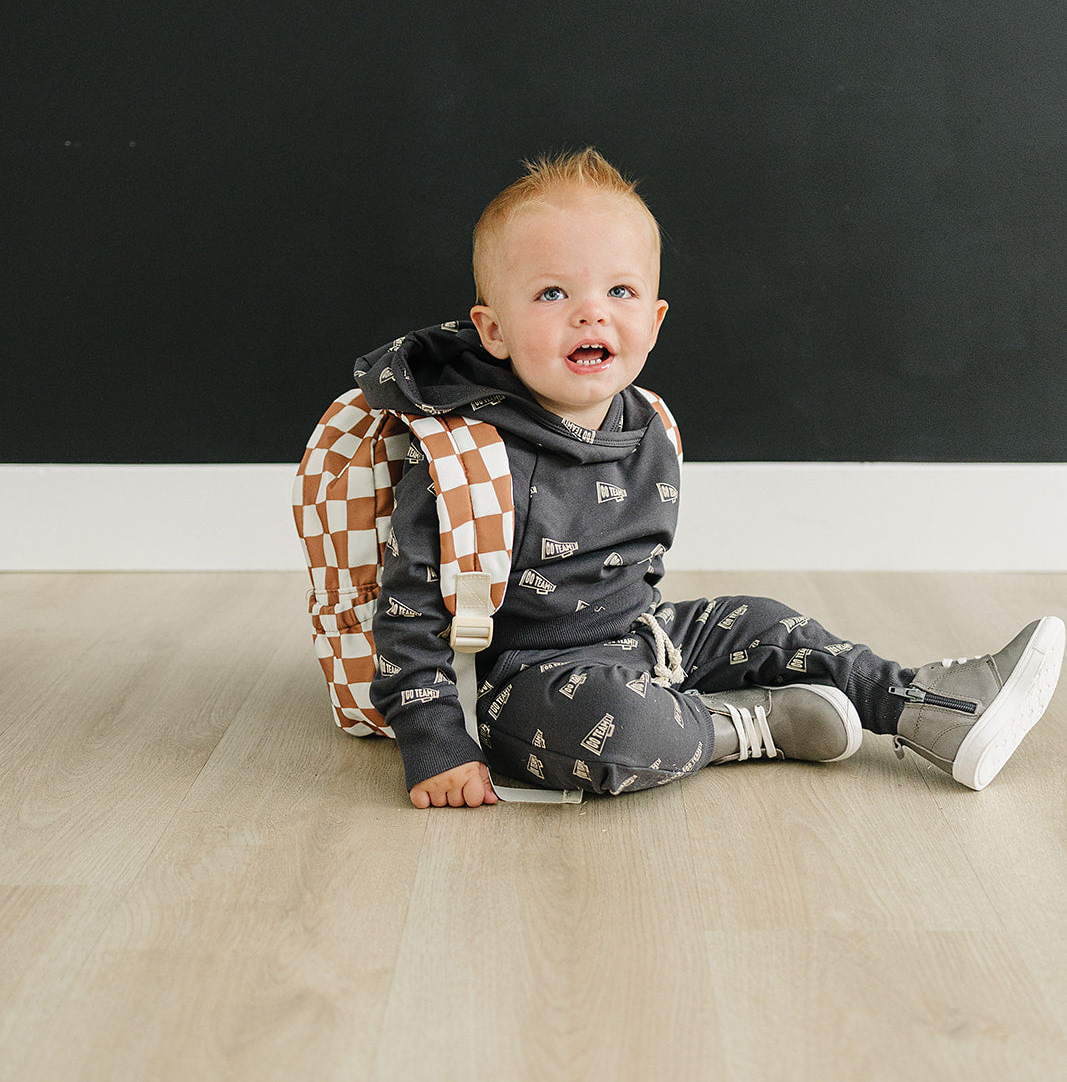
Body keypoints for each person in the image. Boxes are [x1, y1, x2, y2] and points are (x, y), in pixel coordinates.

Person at [359, 149, 1064, 808]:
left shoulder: (650, 422)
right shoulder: (464, 454)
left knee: (764, 622)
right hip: (521, 681)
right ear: (493, 331)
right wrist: (435, 742)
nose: (590, 311)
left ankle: (924, 706)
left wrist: (656, 652)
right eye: (550, 292)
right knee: (625, 727)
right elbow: (409, 617)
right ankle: (738, 726)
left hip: (641, 638)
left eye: (620, 290)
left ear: (654, 319)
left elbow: (639, 576)